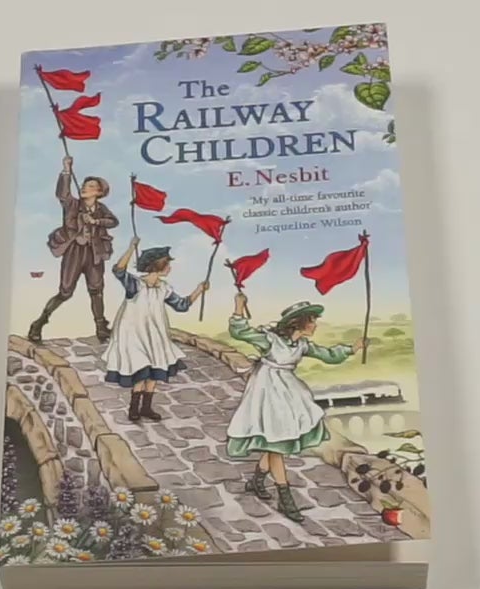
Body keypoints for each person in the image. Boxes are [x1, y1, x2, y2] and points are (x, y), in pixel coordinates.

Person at [223, 289, 356, 523]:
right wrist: (239, 306)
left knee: (275, 440)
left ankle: (256, 481)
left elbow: (328, 355)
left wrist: (351, 349)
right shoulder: (270, 340)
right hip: (266, 393)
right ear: (299, 323)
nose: (315, 325)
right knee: (276, 443)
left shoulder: (302, 345)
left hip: (288, 394)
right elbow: (240, 332)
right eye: (312, 320)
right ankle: (285, 498)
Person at [103, 238, 209, 422]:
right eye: (167, 264)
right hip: (134, 334)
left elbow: (182, 305)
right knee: (140, 370)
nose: (169, 268)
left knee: (154, 370)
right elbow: (118, 270)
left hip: (154, 334)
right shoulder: (136, 285)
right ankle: (134, 408)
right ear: (158, 265)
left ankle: (146, 408)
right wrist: (131, 248)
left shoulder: (164, 288)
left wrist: (199, 290)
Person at [27, 153, 120, 344]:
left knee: (96, 290)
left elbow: (113, 221)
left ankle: (101, 327)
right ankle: (39, 323)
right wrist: (66, 170)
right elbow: (62, 194)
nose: (85, 187)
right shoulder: (72, 205)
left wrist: (96, 221)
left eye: (91, 186)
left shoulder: (101, 209)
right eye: (85, 185)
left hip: (94, 253)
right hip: (74, 252)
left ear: (99, 192)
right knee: (66, 292)